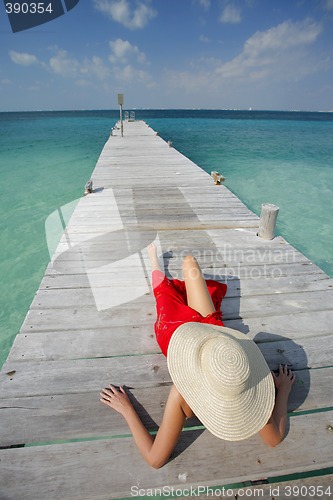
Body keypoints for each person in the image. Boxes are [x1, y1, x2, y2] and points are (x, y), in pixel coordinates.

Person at [100, 244, 295, 469]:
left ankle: (154, 261)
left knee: (163, 291)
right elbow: (274, 439)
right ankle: (163, 267)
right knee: (190, 262)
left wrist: (127, 409)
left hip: (177, 335)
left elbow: (155, 459)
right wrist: (284, 391)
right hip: (215, 339)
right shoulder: (241, 381)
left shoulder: (182, 393)